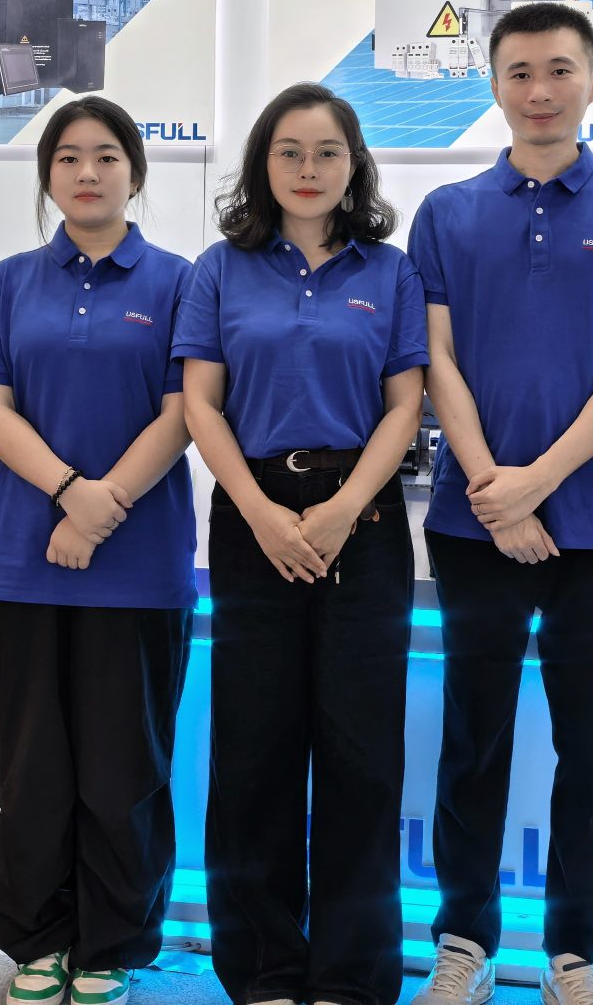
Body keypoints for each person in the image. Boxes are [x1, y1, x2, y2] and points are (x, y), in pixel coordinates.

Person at [407, 2, 593, 1005]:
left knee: (590, 745)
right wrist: (495, 488)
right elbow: (435, 359)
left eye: (559, 70)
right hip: (474, 520)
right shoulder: (446, 212)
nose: (540, 90)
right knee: (472, 738)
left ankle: (576, 954)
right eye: (520, 72)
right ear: (493, 86)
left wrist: (538, 482)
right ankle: (464, 943)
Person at [173, 82, 428, 1005]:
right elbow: (201, 402)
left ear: (354, 164)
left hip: (363, 517)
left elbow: (405, 405)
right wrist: (259, 511)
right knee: (254, 751)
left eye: (327, 152)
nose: (308, 169)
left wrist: (344, 507)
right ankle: (265, 968)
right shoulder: (220, 269)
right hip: (254, 515)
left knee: (362, 754)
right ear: (262, 164)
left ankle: (353, 974)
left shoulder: (390, 272)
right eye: (289, 152)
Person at [0, 99, 195, 1005]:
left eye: (105, 156)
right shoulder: (8, 283)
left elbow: (183, 412)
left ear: (136, 170)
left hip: (139, 563)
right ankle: (39, 937)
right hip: (21, 559)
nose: (87, 173)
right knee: (32, 766)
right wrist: (69, 493)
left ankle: (114, 944)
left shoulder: (179, 282)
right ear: (47, 175)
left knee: (124, 765)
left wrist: (101, 510)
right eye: (67, 158)